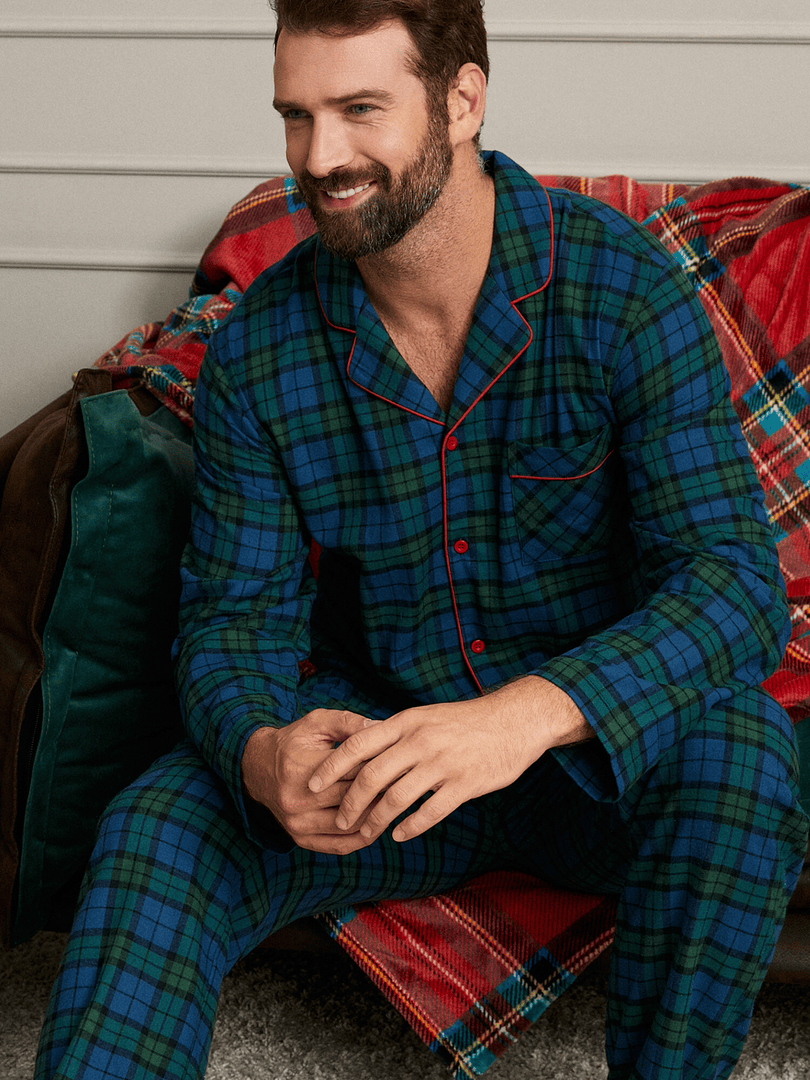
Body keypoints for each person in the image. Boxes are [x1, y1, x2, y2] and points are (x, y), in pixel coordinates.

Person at [36, 2, 808, 1078]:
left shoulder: (623, 288)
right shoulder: (261, 349)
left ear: (463, 101)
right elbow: (231, 622)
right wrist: (261, 751)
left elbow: (732, 587)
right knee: (158, 824)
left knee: (744, 754)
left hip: (591, 759)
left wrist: (516, 721)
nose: (319, 157)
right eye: (296, 115)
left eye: (360, 109)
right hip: (379, 767)